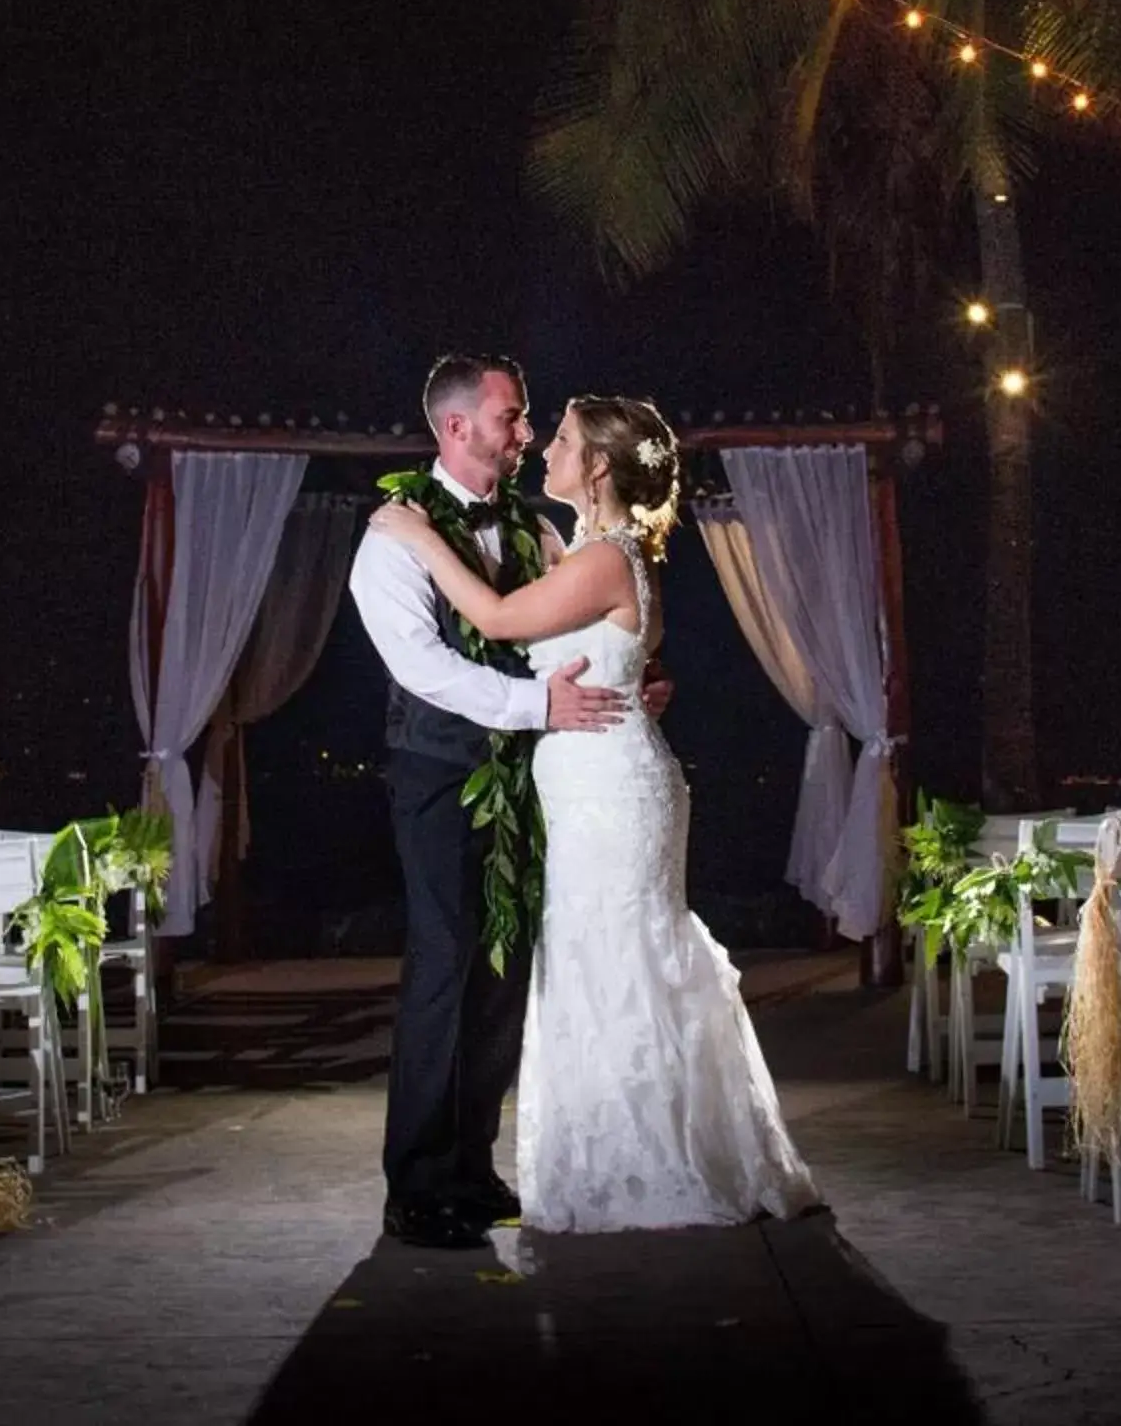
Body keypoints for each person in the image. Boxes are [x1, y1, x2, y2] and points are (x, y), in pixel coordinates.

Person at [370, 394, 820, 1234]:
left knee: (612, 954)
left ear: (599, 468)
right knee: (604, 954)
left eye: (564, 438)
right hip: (594, 782)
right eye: (534, 426)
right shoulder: (579, 547)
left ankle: (643, 1163)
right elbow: (608, 651)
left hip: (605, 791)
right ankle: (626, 1151)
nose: (544, 445)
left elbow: (501, 619)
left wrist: (424, 540)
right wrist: (637, 681)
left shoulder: (603, 556)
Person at [346, 353, 651, 1251]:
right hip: (437, 774)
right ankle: (417, 1185)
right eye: (512, 418)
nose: (524, 433)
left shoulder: (531, 527)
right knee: (445, 962)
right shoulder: (392, 538)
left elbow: (552, 636)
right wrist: (536, 706)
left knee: (504, 965)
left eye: (526, 422)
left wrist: (616, 683)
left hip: (528, 774)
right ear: (456, 428)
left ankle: (471, 1168)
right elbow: (424, 669)